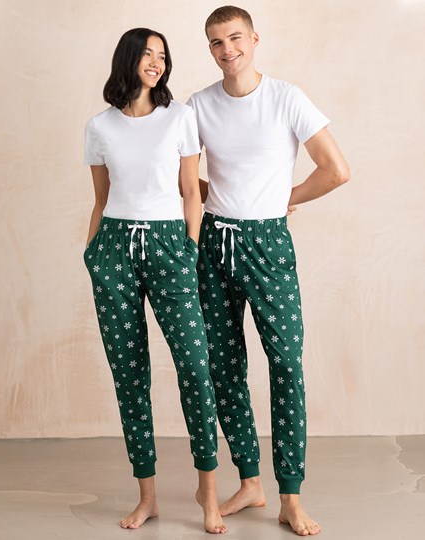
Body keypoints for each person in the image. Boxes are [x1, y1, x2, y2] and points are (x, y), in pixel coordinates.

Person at [186, 6, 350, 536]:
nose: (227, 49)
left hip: (268, 243)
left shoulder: (286, 98)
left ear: (255, 40)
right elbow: (181, 176)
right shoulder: (198, 105)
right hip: (215, 241)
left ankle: (290, 497)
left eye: (235, 38)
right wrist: (219, 197)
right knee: (224, 365)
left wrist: (282, 198)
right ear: (209, 49)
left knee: (285, 365)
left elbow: (336, 170)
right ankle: (250, 481)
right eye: (216, 42)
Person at [83, 27, 227, 534]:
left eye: (162, 56)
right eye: (147, 53)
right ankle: (147, 497)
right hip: (114, 248)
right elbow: (101, 200)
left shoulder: (179, 117)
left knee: (196, 368)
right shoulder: (99, 127)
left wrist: (189, 250)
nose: (156, 62)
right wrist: (92, 255)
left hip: (170, 246)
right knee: (129, 375)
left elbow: (191, 192)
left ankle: (209, 495)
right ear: (127, 58)